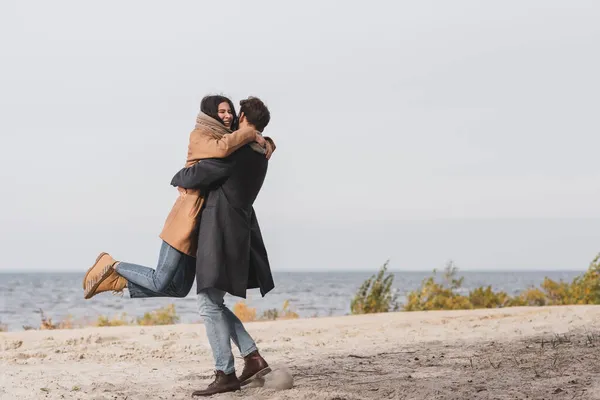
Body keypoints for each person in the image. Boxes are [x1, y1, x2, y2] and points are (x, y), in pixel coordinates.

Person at [82, 95, 275, 300]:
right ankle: (112, 265)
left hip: (202, 225)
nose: (228, 116)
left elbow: (240, 143)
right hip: (186, 215)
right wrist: (252, 133)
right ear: (210, 113)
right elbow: (223, 149)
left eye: (230, 112)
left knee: (180, 289)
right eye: (222, 112)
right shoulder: (202, 134)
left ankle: (121, 284)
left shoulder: (231, 137)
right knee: (161, 279)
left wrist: (267, 141)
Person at [170, 97, 275, 397]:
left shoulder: (238, 154)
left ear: (242, 118)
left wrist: (178, 178)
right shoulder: (260, 153)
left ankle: (225, 373)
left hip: (220, 233)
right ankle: (252, 358)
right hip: (236, 232)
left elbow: (199, 173)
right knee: (213, 303)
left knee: (207, 303)